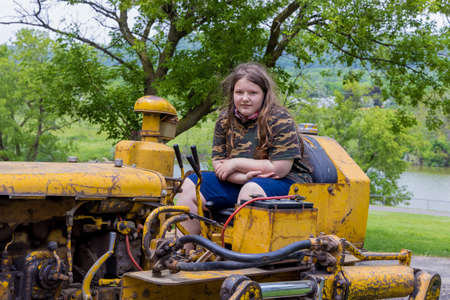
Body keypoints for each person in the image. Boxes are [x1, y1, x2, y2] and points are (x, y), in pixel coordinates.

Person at [176, 62, 312, 236]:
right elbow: (219, 164)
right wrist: (241, 177)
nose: (245, 98)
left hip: (289, 183)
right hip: (242, 180)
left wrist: (235, 163)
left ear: (264, 94)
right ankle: (184, 253)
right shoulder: (225, 119)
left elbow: (279, 168)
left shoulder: (279, 119)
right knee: (191, 184)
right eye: (239, 92)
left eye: (253, 93)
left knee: (251, 191)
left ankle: (243, 258)